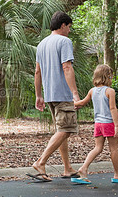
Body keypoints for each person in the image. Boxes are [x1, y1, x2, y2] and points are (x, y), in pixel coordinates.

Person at [29, 11, 80, 182]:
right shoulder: (64, 41)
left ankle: (67, 168)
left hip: (50, 95)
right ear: (63, 25)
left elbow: (37, 71)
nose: (69, 31)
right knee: (66, 129)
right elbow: (67, 67)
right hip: (63, 94)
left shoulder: (42, 44)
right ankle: (41, 162)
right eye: (69, 27)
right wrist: (74, 93)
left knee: (61, 130)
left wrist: (38, 95)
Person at [72, 64, 118, 184]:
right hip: (108, 123)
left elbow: (82, 103)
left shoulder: (92, 91)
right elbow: (113, 108)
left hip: (98, 124)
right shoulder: (110, 91)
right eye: (111, 76)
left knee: (97, 148)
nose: (111, 79)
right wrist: (117, 126)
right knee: (114, 149)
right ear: (107, 77)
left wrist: (73, 103)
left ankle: (83, 168)